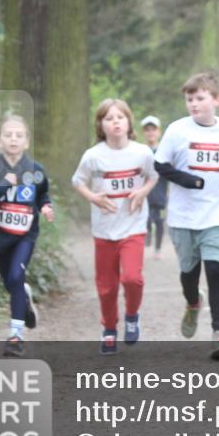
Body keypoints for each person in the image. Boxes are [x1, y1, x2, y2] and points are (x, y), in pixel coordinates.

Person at [154, 72, 219, 360]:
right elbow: (161, 165)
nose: (194, 104)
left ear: (215, 100)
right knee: (189, 275)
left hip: (217, 214)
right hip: (183, 217)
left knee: (216, 270)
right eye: (189, 99)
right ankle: (193, 302)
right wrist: (188, 180)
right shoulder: (177, 130)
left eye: (199, 98)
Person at [72, 99, 159, 354]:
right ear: (101, 125)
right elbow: (78, 181)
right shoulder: (93, 156)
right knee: (107, 286)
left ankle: (132, 315)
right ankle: (109, 329)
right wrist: (93, 198)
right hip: (104, 229)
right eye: (109, 118)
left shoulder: (142, 152)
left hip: (133, 226)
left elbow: (153, 176)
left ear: (129, 122)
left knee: (132, 278)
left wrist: (142, 192)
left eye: (120, 117)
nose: (115, 122)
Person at [0, 114, 54, 357]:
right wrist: (3, 185)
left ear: (27, 142)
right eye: (8, 135)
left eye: (19, 135)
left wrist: (46, 206)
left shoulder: (36, 170)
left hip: (25, 237)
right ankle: (23, 297)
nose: (13, 139)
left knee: (16, 276)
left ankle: (16, 337)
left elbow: (42, 194)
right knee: (12, 283)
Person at [141, 115, 168, 259]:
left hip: (160, 193)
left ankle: (158, 249)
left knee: (159, 221)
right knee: (146, 219)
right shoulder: (140, 151)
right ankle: (147, 238)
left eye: (153, 129)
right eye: (147, 130)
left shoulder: (164, 151)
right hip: (144, 194)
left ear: (159, 131)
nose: (151, 132)